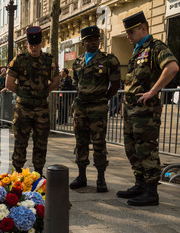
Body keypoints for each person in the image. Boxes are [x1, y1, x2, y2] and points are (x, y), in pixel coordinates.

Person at [117, 11, 179, 206]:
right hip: (131, 111)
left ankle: (151, 191)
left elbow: (172, 67)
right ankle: (140, 184)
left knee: (146, 150)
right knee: (132, 149)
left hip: (146, 113)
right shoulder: (137, 50)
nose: (128, 36)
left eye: (131, 32)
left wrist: (152, 91)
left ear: (143, 28)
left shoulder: (155, 47)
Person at [69, 26, 121, 193]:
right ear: (83, 42)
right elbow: (76, 83)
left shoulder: (108, 60)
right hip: (80, 108)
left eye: (96, 39)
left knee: (99, 143)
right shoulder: (77, 62)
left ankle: (101, 178)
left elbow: (115, 84)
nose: (94, 43)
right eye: (90, 40)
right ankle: (82, 176)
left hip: (98, 108)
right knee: (81, 142)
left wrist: (104, 99)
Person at [5, 26, 60, 176]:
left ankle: (38, 172)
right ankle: (17, 173)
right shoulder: (19, 60)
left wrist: (42, 92)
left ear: (42, 43)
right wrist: (23, 94)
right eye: (31, 44)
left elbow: (56, 80)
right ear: (27, 44)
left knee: (41, 142)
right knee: (20, 142)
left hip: (42, 108)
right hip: (23, 108)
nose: (34, 47)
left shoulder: (49, 60)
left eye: (36, 44)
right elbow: (9, 83)